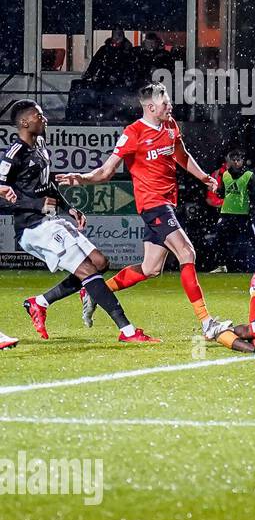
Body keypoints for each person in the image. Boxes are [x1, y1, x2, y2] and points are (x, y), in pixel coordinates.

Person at [56, 83, 227, 342]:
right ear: (150, 107)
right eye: (165, 103)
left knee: (150, 268)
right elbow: (106, 171)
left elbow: (182, 156)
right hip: (152, 203)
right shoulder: (133, 133)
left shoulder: (170, 126)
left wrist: (204, 177)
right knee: (187, 252)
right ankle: (207, 323)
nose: (170, 106)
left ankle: (95, 290)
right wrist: (81, 178)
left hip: (167, 202)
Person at [1, 100, 158, 344]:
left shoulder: (41, 145)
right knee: (87, 271)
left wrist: (69, 207)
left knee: (100, 262)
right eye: (38, 116)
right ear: (23, 122)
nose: (44, 119)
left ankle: (39, 302)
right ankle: (127, 330)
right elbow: (2, 189)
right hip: (33, 227)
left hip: (50, 220)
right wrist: (35, 205)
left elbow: (46, 184)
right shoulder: (14, 153)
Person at [210, 149, 255, 275]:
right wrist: (216, 190)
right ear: (229, 161)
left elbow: (254, 195)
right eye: (233, 160)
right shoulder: (225, 175)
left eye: (238, 160)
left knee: (254, 239)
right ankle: (221, 265)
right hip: (227, 212)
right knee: (219, 239)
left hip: (243, 214)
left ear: (242, 161)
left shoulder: (248, 175)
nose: (236, 162)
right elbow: (224, 193)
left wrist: (252, 209)